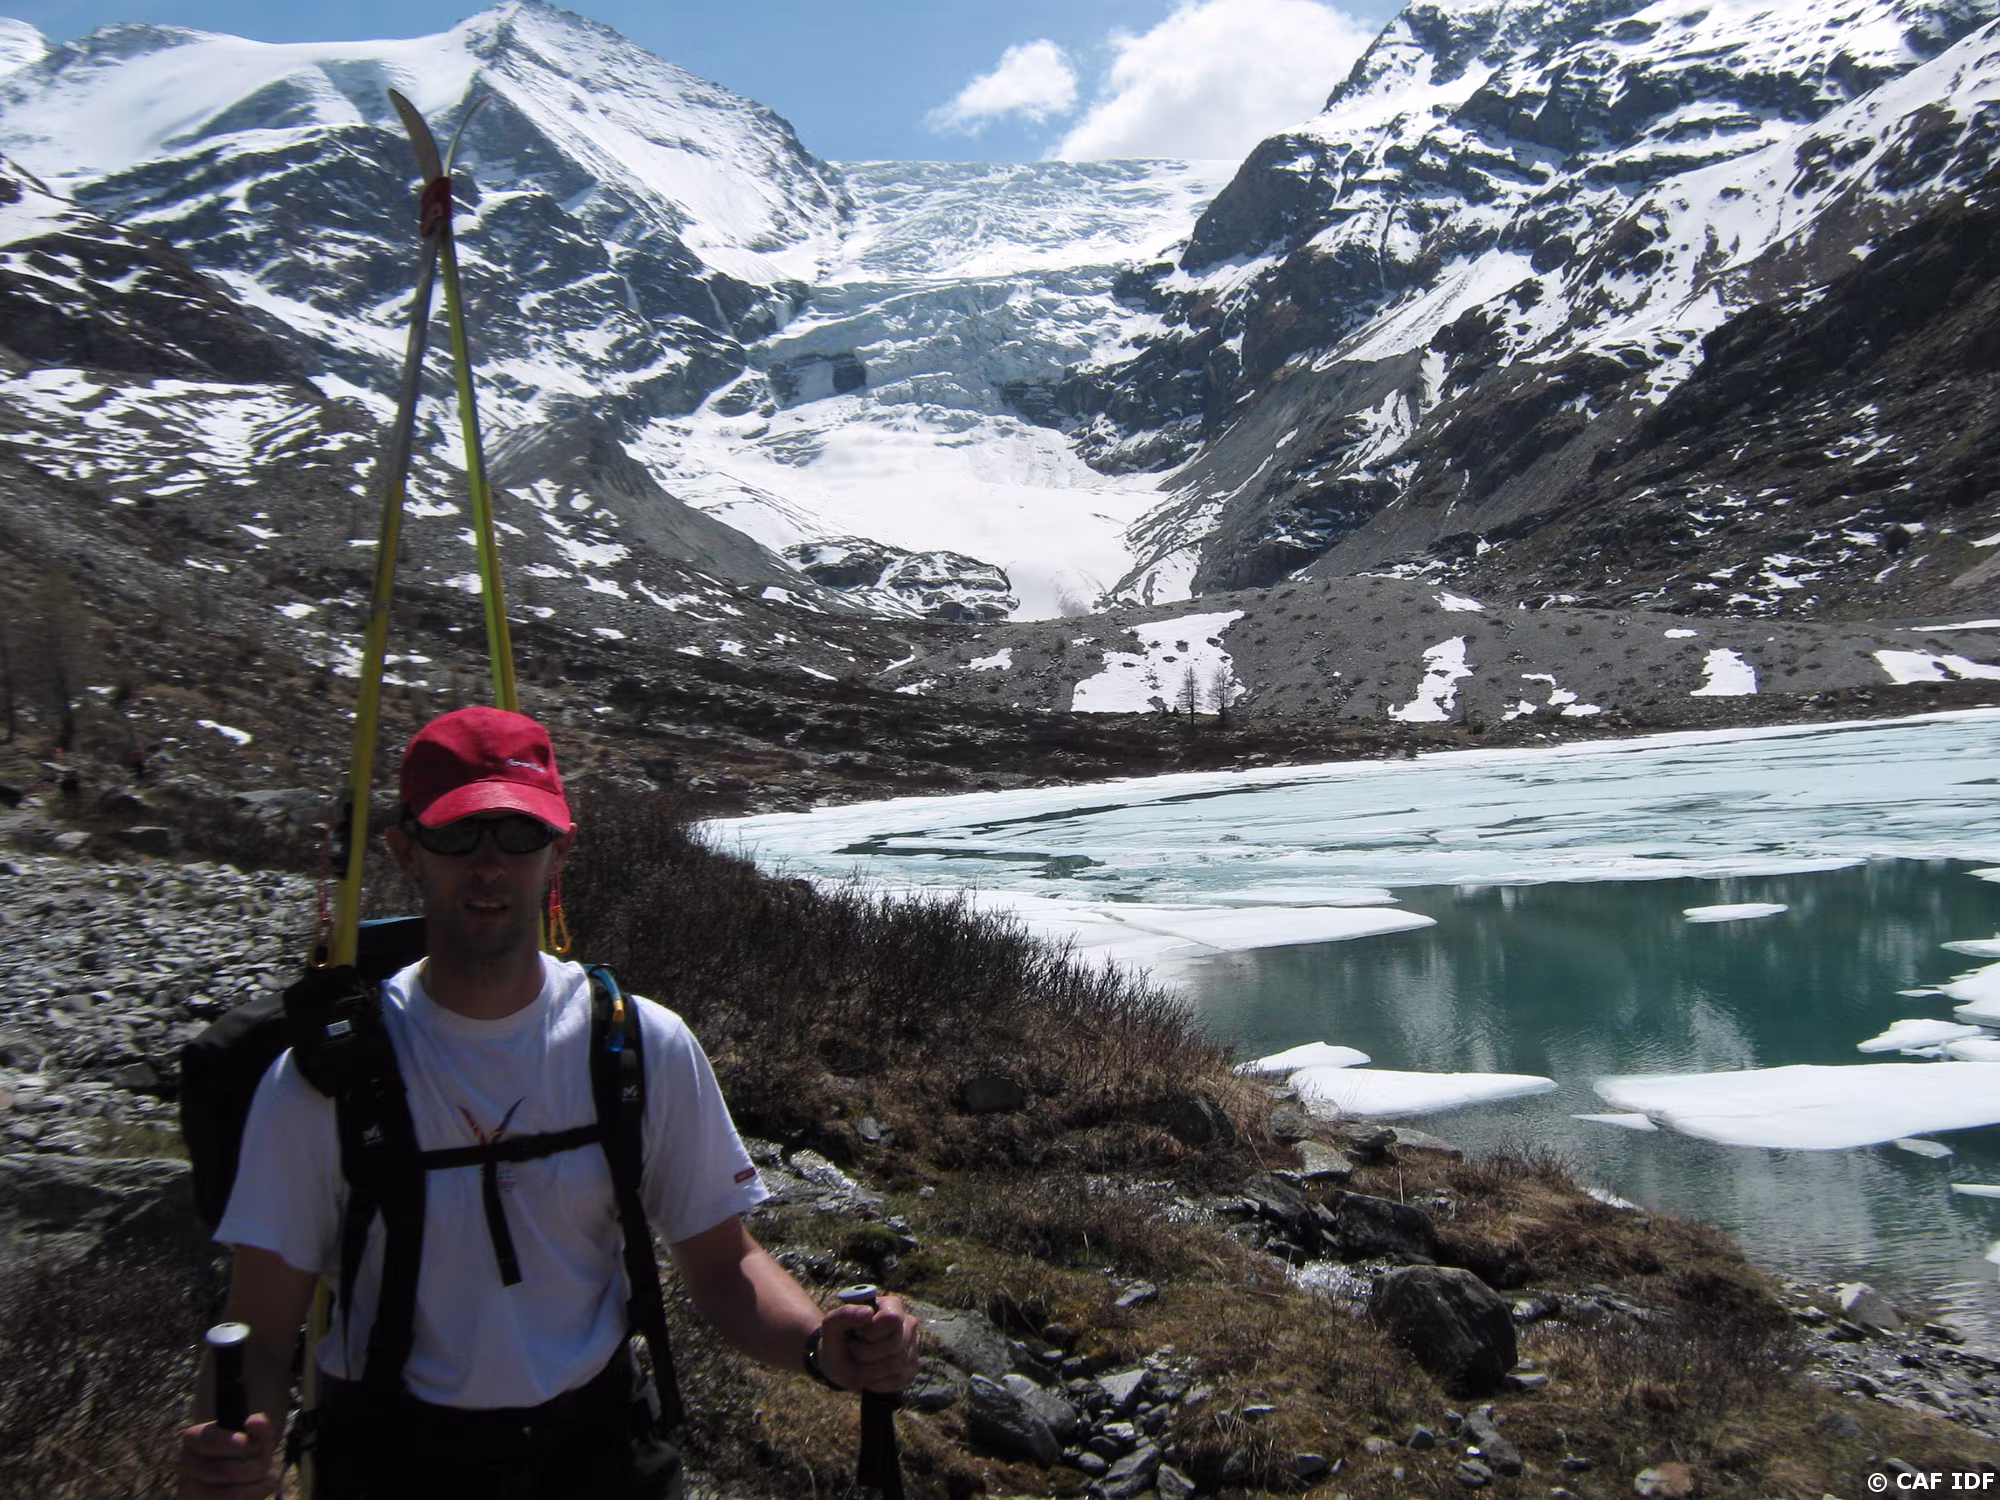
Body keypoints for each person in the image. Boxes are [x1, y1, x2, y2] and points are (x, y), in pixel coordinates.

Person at [177, 706, 920, 1500]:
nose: (490, 865)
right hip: (392, 1465)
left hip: (599, 1458)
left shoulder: (642, 1046)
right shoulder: (325, 1078)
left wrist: (819, 1345)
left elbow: (722, 1263)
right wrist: (231, 1455)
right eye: (458, 834)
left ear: (559, 850)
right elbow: (259, 1332)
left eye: (519, 834)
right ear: (406, 852)